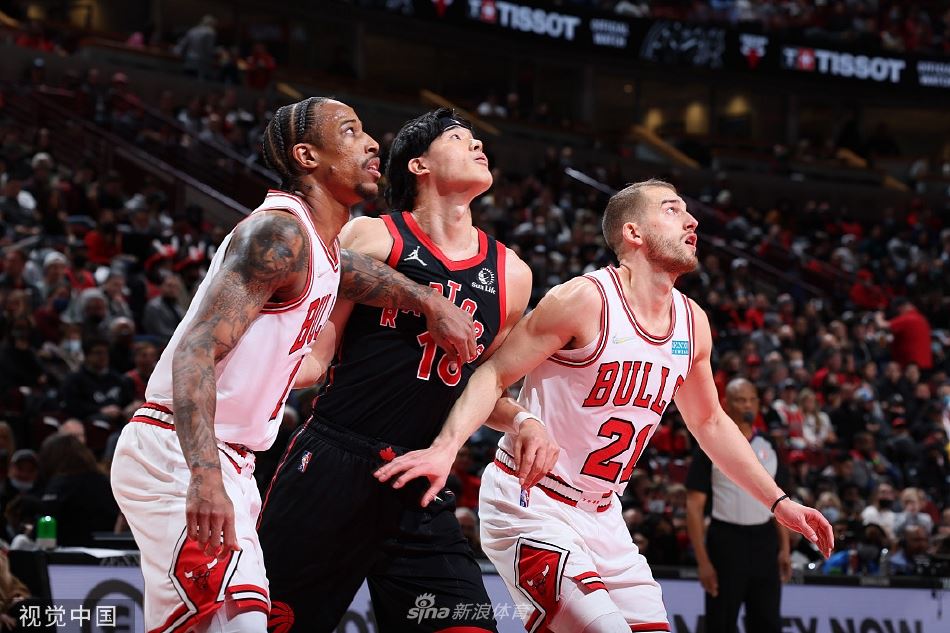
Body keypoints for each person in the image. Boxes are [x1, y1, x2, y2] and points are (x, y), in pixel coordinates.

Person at [376, 179, 834, 633]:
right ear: (634, 233)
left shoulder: (692, 322)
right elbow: (491, 374)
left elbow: (710, 421)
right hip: (533, 502)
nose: (692, 220)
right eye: (672, 209)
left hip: (605, 517)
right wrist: (449, 447)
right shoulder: (585, 299)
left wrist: (778, 502)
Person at [110, 97, 477, 633]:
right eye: (350, 132)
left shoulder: (316, 246)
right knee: (237, 625)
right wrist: (204, 476)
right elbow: (195, 350)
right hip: (183, 450)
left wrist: (429, 302)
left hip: (230, 459)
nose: (372, 143)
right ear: (307, 156)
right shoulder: (277, 235)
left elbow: (354, 272)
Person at [257, 109, 548, 633]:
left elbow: (482, 387)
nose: (478, 146)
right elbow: (316, 355)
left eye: (478, 140)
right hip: (334, 461)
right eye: (459, 138)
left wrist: (523, 420)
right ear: (419, 164)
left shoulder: (512, 273)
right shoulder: (372, 237)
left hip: (420, 478)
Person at [685, 378, 791, 633]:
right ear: (726, 404)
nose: (748, 405)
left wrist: (785, 548)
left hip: (765, 540)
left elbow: (781, 501)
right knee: (721, 623)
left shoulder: (770, 445)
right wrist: (703, 562)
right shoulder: (709, 444)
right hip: (726, 540)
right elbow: (694, 507)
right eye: (741, 400)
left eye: (752, 399)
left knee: (767, 622)